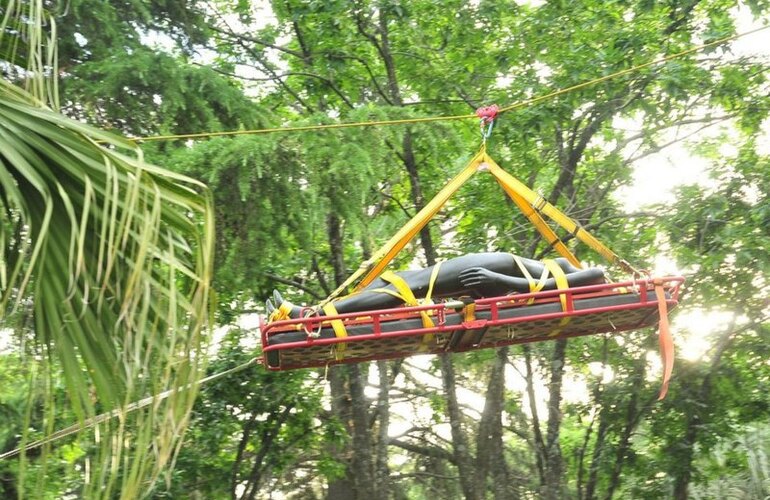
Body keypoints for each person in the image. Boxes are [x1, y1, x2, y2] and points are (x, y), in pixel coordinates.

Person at [266, 252, 605, 319]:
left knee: (399, 289)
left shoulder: (593, 277)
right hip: (484, 273)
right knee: (394, 282)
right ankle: (315, 313)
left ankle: (310, 315)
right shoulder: (562, 268)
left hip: (487, 275)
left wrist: (499, 281)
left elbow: (595, 275)